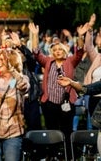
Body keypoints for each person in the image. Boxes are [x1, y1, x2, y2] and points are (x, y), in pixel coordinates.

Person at [30, 21, 85, 158]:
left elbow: (79, 52)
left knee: (67, 132)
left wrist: (80, 36)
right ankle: (53, 155)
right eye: (55, 50)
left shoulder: (70, 61)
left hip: (66, 102)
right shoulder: (49, 61)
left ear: (64, 51)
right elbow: (36, 54)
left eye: (60, 49)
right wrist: (35, 35)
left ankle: (68, 156)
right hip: (50, 103)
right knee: (52, 132)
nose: (57, 51)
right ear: (52, 53)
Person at [0, 47, 30, 161]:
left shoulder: (17, 80)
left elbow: (23, 85)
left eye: (2, 61)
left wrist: (11, 68)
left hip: (12, 133)